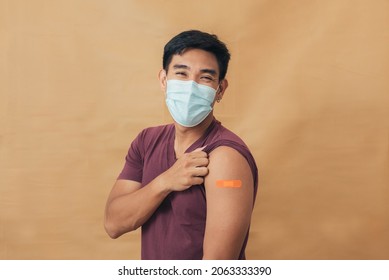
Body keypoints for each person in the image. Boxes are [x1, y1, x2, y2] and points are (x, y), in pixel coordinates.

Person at [104, 30, 258, 260]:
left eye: (205, 77)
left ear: (220, 90)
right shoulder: (147, 142)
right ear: (164, 80)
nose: (191, 86)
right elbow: (114, 223)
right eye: (181, 74)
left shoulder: (225, 159)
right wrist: (165, 182)